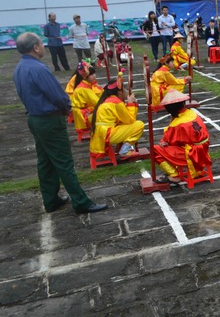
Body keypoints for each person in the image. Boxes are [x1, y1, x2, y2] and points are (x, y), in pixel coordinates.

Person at [13, 33, 107, 214]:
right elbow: (57, 95)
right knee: (64, 162)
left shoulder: (19, 68)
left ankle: (51, 199)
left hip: (35, 118)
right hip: (49, 120)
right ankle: (81, 201)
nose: (43, 47)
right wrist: (67, 109)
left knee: (46, 161)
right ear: (35, 47)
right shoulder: (38, 69)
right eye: (41, 44)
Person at [150, 89, 212, 184]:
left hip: (191, 153)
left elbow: (167, 141)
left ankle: (174, 175)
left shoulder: (177, 124)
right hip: (204, 149)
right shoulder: (192, 113)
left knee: (156, 149)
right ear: (183, 103)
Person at [90, 77, 145, 158]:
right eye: (124, 89)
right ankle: (125, 150)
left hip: (101, 134)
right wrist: (131, 104)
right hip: (107, 134)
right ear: (119, 91)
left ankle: (121, 148)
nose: (125, 91)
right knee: (139, 125)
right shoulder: (115, 101)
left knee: (124, 125)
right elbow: (130, 120)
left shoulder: (107, 99)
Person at [71, 62, 102, 136]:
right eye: (91, 74)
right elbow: (97, 102)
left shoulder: (85, 85)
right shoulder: (84, 88)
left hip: (81, 112)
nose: (94, 76)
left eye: (94, 73)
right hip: (83, 115)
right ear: (85, 76)